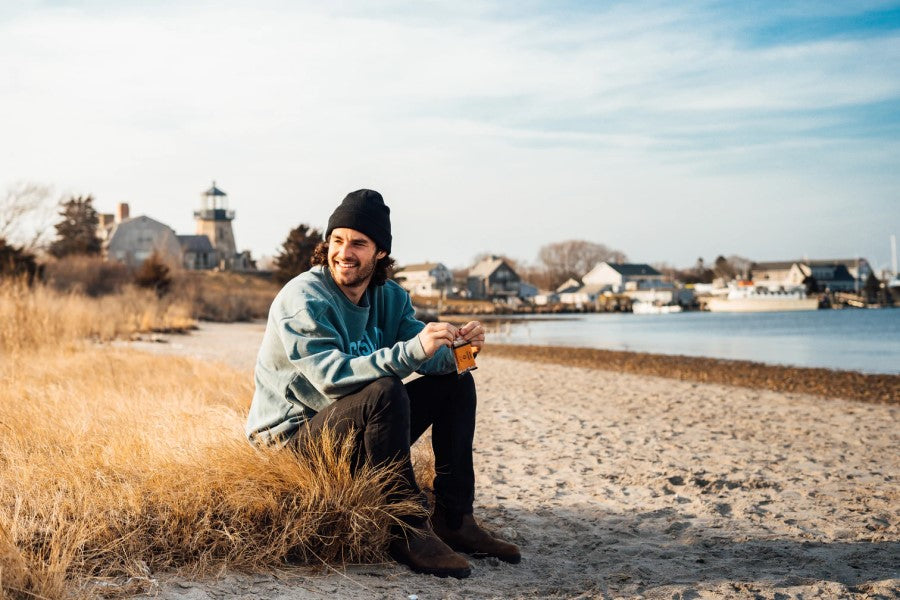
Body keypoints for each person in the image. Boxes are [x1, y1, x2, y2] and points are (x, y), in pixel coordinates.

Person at [246, 189, 520, 578]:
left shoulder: (388, 297)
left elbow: (432, 357)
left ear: (379, 253)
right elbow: (332, 379)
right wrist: (411, 351)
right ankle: (406, 529)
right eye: (337, 241)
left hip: (351, 432)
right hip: (291, 443)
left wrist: (465, 351)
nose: (344, 252)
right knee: (385, 390)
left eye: (359, 243)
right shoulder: (303, 297)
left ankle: (454, 520)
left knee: (458, 383)